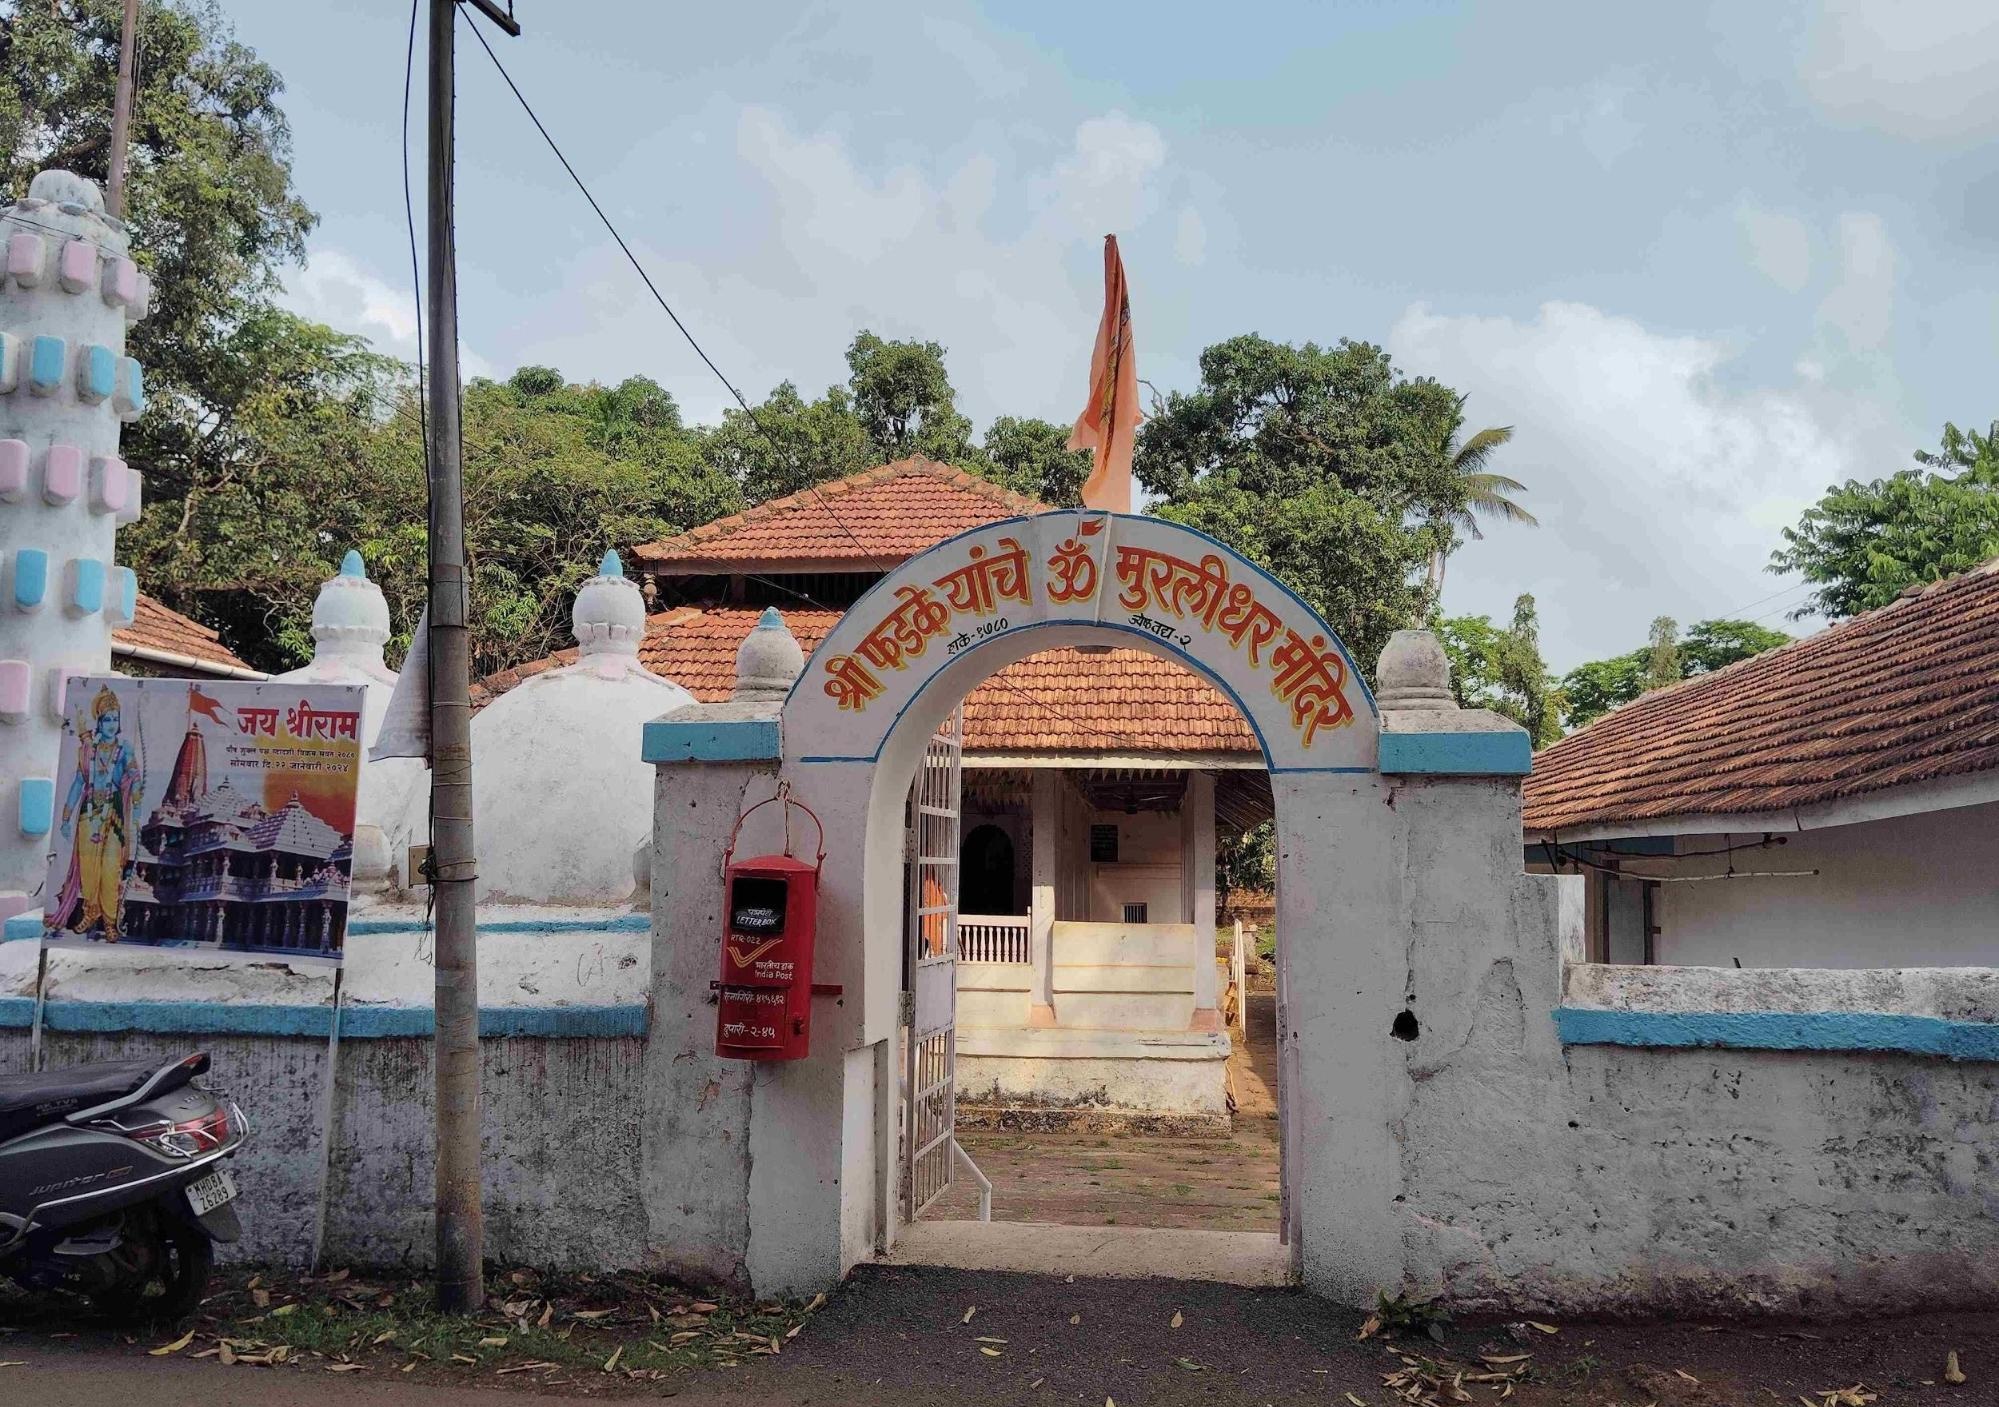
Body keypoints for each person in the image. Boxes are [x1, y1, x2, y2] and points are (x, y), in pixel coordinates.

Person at [55, 685, 141, 940]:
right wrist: (66, 817)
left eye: (115, 719)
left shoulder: (125, 749)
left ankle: (110, 921)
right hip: (88, 814)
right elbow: (78, 783)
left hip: (113, 815)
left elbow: (134, 778)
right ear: (99, 721)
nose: (112, 724)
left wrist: (137, 803)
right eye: (107, 719)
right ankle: (91, 911)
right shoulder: (88, 750)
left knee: (110, 869)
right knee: (89, 869)